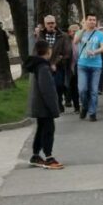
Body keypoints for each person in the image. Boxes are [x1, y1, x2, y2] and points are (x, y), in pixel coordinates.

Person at [25, 40, 64, 170]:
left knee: (41, 129)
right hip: (44, 105)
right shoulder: (43, 67)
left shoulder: (38, 65)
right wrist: (54, 108)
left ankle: (35, 155)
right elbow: (47, 90)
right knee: (48, 130)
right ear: (48, 51)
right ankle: (49, 157)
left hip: (38, 104)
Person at [75, 14, 103, 122]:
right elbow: (75, 41)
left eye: (94, 20)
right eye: (90, 19)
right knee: (82, 89)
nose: (92, 21)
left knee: (94, 91)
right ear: (86, 21)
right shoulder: (80, 32)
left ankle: (92, 113)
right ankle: (84, 107)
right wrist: (83, 29)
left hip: (96, 66)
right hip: (82, 65)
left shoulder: (100, 34)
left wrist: (94, 51)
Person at [37, 15, 70, 112]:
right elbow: (37, 51)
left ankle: (59, 102)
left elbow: (67, 52)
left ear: (55, 23)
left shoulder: (62, 36)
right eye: (48, 23)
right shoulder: (41, 36)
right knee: (47, 87)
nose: (51, 25)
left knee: (58, 85)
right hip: (44, 65)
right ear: (45, 24)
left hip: (58, 65)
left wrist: (56, 63)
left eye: (52, 23)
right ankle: (52, 105)